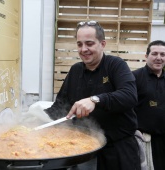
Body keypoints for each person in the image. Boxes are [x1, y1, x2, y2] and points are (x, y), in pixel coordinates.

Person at [45, 21, 141, 170]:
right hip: (82, 148)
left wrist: (95, 100)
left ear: (102, 44)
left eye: (89, 43)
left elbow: (129, 96)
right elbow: (60, 106)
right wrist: (34, 120)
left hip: (118, 148)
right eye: (79, 44)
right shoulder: (75, 70)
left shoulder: (115, 65)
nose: (84, 49)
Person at [132, 40, 165, 170]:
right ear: (146, 56)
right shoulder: (134, 78)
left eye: (162, 54)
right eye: (154, 53)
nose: (159, 58)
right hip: (144, 141)